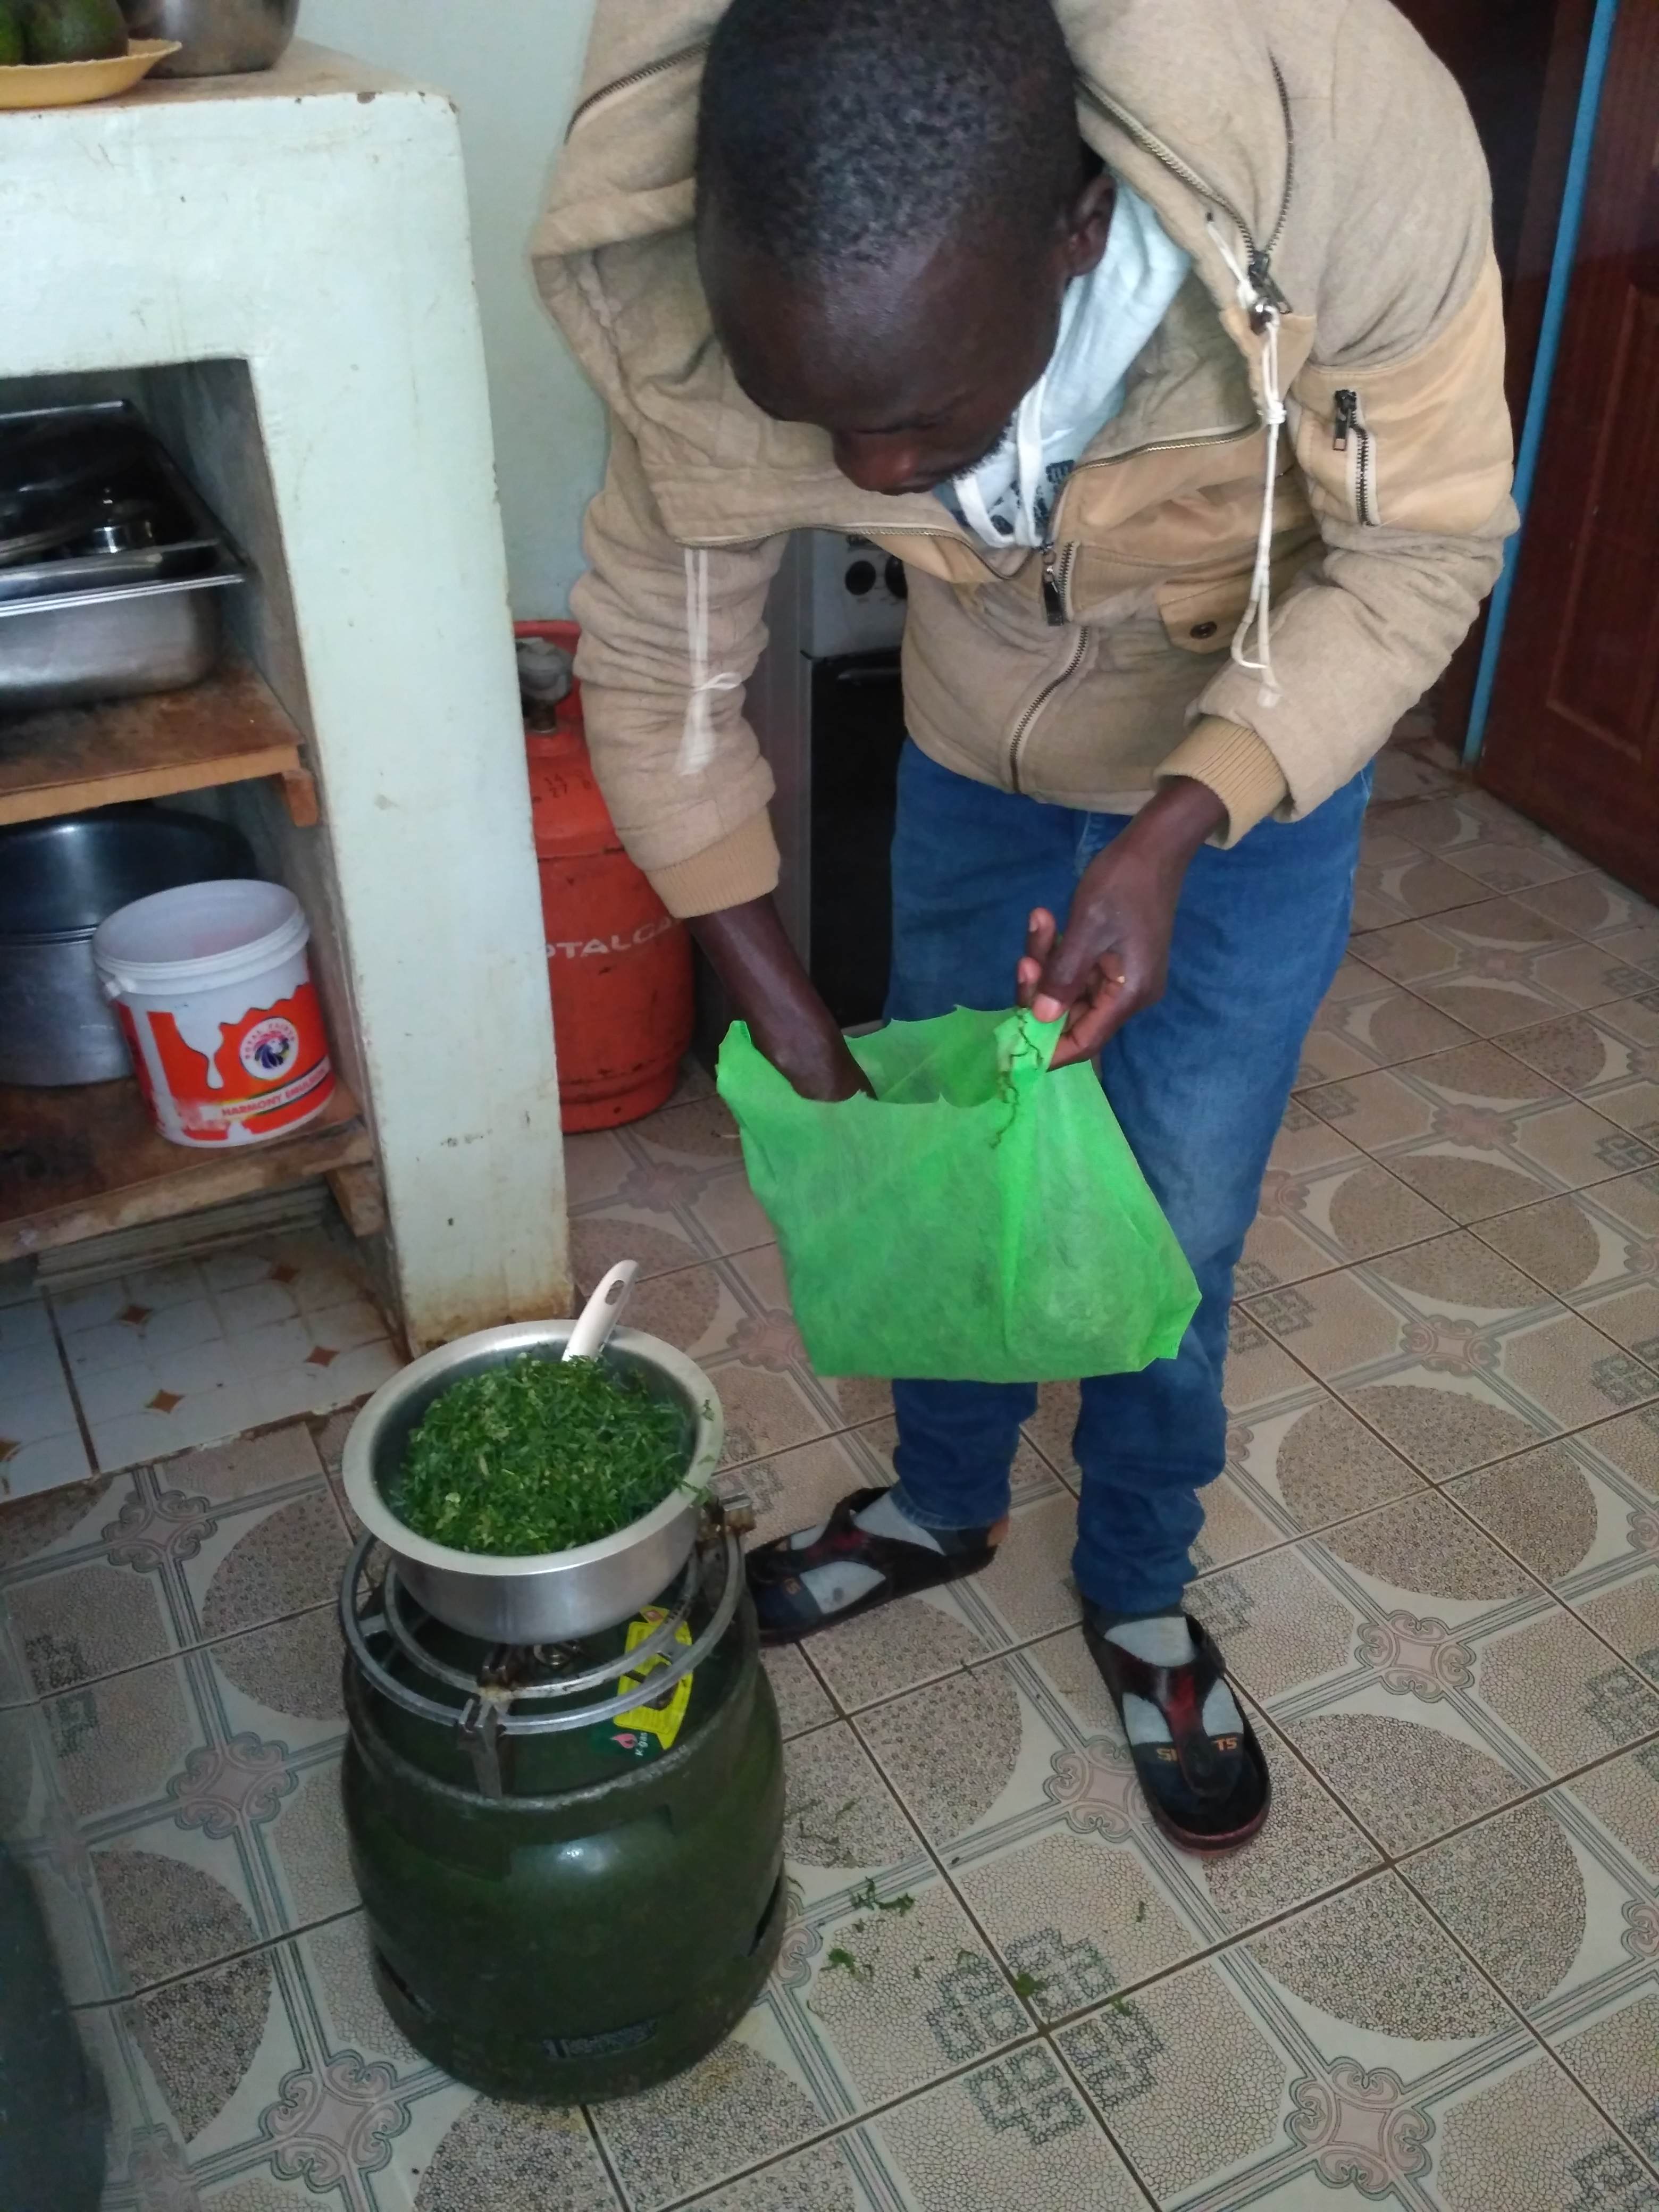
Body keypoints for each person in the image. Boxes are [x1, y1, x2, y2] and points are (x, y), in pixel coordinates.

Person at [534, 0, 1515, 1850]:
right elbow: (661, 666)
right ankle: (942, 1501)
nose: (873, 475)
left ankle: (1139, 1580)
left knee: (1175, 1210)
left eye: (917, 413)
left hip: (1252, 748)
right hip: (974, 750)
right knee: (953, 1174)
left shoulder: (1340, 145)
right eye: (820, 417)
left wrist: (1182, 823)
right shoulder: (682, 238)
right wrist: (789, 1025)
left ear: (1079, 230)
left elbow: (1428, 544)